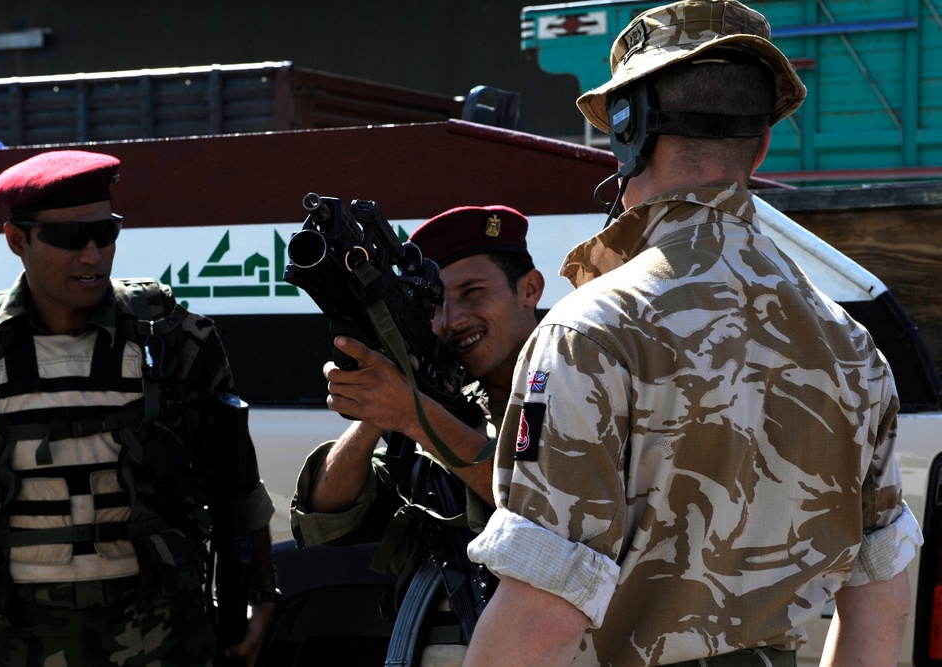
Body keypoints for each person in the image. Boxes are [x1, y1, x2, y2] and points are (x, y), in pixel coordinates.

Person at [464, 2, 924, 666]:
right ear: (762, 144)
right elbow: (883, 605)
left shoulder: (589, 331)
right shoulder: (852, 347)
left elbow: (541, 622)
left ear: (628, 133)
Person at [0, 150, 278, 666]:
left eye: (106, 233)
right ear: (17, 240)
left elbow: (234, 473)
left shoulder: (171, 337)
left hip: (163, 632)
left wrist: (261, 595)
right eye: (70, 238)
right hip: (27, 637)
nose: (93, 255)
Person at [291, 204, 544, 546]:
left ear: (529, 289)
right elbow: (326, 518)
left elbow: (542, 507)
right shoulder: (452, 409)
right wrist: (376, 413)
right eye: (439, 305)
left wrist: (412, 413)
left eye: (473, 293)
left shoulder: (579, 384)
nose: (452, 320)